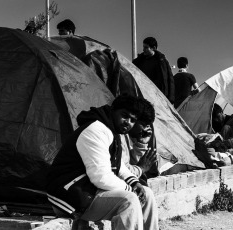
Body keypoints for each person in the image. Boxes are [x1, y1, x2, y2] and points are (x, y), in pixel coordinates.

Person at [46, 94, 158, 230]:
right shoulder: (96, 130)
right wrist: (130, 189)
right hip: (70, 195)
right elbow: (101, 177)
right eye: (124, 115)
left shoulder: (111, 131)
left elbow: (119, 165)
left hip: (88, 189)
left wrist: (135, 183)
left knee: (147, 194)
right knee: (129, 200)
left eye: (132, 120)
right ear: (113, 110)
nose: (127, 122)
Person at [132, 37, 174, 101]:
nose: (143, 50)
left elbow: (169, 80)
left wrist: (171, 99)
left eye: (146, 47)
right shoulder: (139, 62)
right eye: (143, 47)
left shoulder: (162, 61)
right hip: (143, 94)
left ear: (153, 48)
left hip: (158, 96)